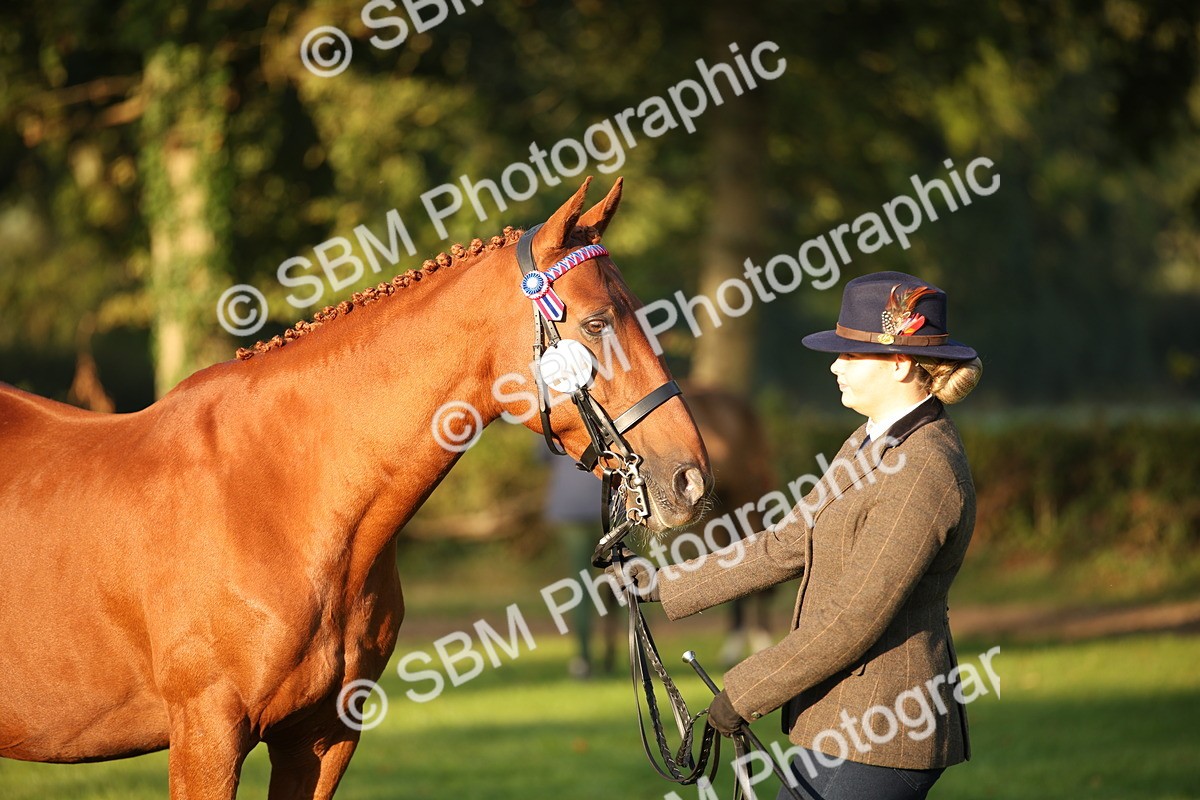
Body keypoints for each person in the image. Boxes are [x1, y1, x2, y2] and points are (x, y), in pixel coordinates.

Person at [609, 271, 983, 800]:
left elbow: (854, 619)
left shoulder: (925, 470)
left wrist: (744, 692)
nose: (835, 366)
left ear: (900, 363)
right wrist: (663, 583)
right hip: (842, 722)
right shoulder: (867, 441)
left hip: (886, 730)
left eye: (850, 355)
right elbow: (785, 542)